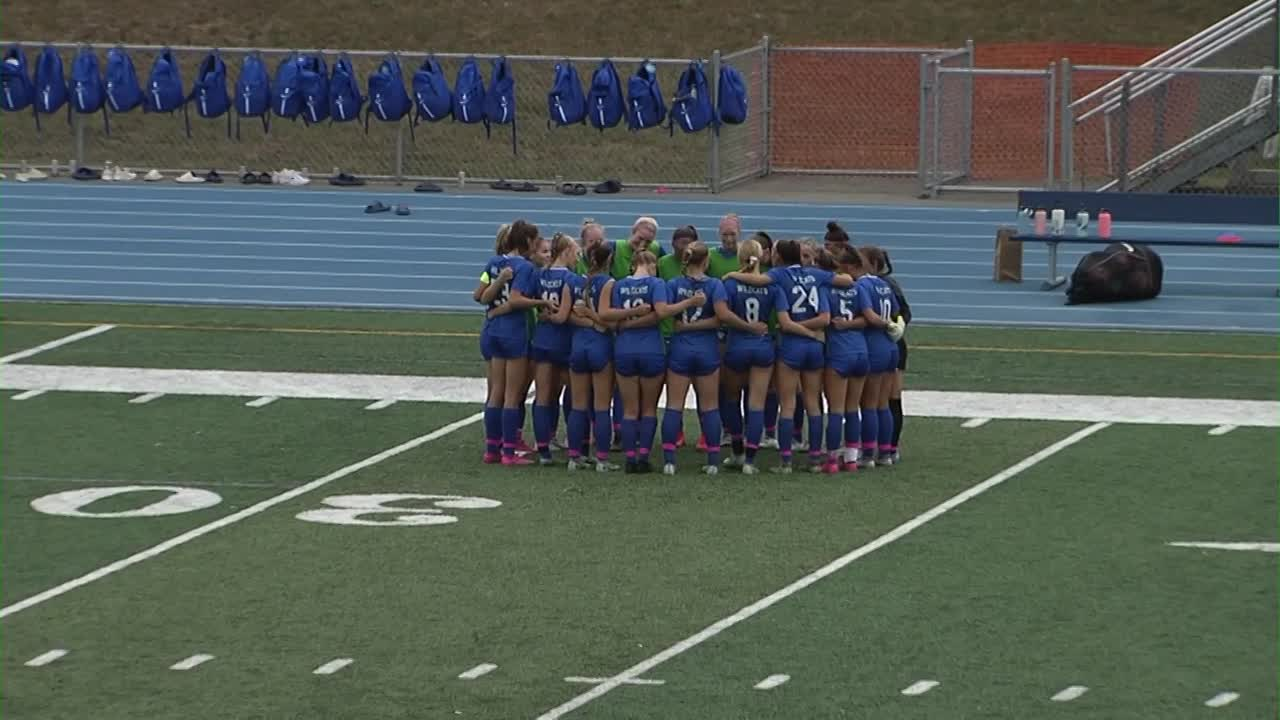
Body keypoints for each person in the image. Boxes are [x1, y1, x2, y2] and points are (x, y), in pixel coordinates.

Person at [600, 250, 699, 473]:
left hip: (624, 349)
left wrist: (627, 323)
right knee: (648, 409)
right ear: (651, 264)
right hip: (651, 349)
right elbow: (661, 313)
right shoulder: (656, 284)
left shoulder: (619, 285)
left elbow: (612, 317)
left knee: (629, 409)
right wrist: (689, 302)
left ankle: (630, 458)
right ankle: (644, 456)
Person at [660, 241, 741, 475]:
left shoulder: (674, 284)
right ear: (706, 261)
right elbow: (720, 318)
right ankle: (713, 461)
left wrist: (685, 326)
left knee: (674, 405)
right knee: (710, 406)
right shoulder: (714, 285)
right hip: (707, 350)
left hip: (680, 349)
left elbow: (666, 313)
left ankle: (669, 461)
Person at [477, 220, 550, 466]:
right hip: (513, 331)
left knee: (495, 393)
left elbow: (480, 296)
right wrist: (541, 303)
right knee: (512, 395)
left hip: (492, 331)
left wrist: (495, 305)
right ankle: (509, 452)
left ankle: (492, 449)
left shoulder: (494, 262)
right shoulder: (525, 267)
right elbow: (517, 300)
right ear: (528, 241)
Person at [720, 238, 779, 474]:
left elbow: (723, 314)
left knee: (731, 399)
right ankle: (750, 461)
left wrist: (744, 326)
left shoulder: (730, 282)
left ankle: (737, 451)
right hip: (762, 346)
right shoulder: (771, 284)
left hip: (737, 345)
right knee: (756, 403)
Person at [566, 243, 619, 472]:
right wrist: (595, 319)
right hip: (600, 346)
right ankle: (602, 459)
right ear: (609, 260)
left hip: (578, 345)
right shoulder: (609, 283)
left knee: (578, 405)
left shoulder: (576, 281)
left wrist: (586, 319)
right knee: (601, 406)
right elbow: (609, 322)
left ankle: (574, 457)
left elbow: (568, 315)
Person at [822, 245, 875, 472]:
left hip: (839, 352)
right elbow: (866, 318)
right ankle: (852, 459)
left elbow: (824, 319)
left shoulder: (826, 288)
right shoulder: (857, 287)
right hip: (860, 351)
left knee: (836, 409)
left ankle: (832, 460)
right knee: (853, 408)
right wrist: (850, 324)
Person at [529, 232, 579, 465]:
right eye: (575, 253)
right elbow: (569, 314)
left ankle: (543, 449)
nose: (577, 257)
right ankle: (574, 445)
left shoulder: (540, 275)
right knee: (574, 395)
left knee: (543, 396)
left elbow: (533, 301)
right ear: (566, 252)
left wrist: (544, 314)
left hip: (542, 339)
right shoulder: (571, 278)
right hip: (565, 341)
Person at [858, 245, 905, 467]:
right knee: (883, 404)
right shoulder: (884, 285)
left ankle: (868, 454)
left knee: (869, 404)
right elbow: (896, 312)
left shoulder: (862, 285)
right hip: (890, 346)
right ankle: (885, 452)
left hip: (874, 345)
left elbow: (868, 316)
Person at [875, 248, 910, 464]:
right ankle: (880, 446)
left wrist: (894, 327)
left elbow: (905, 313)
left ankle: (890, 447)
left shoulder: (887, 284)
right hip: (883, 345)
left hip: (891, 345)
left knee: (891, 398)